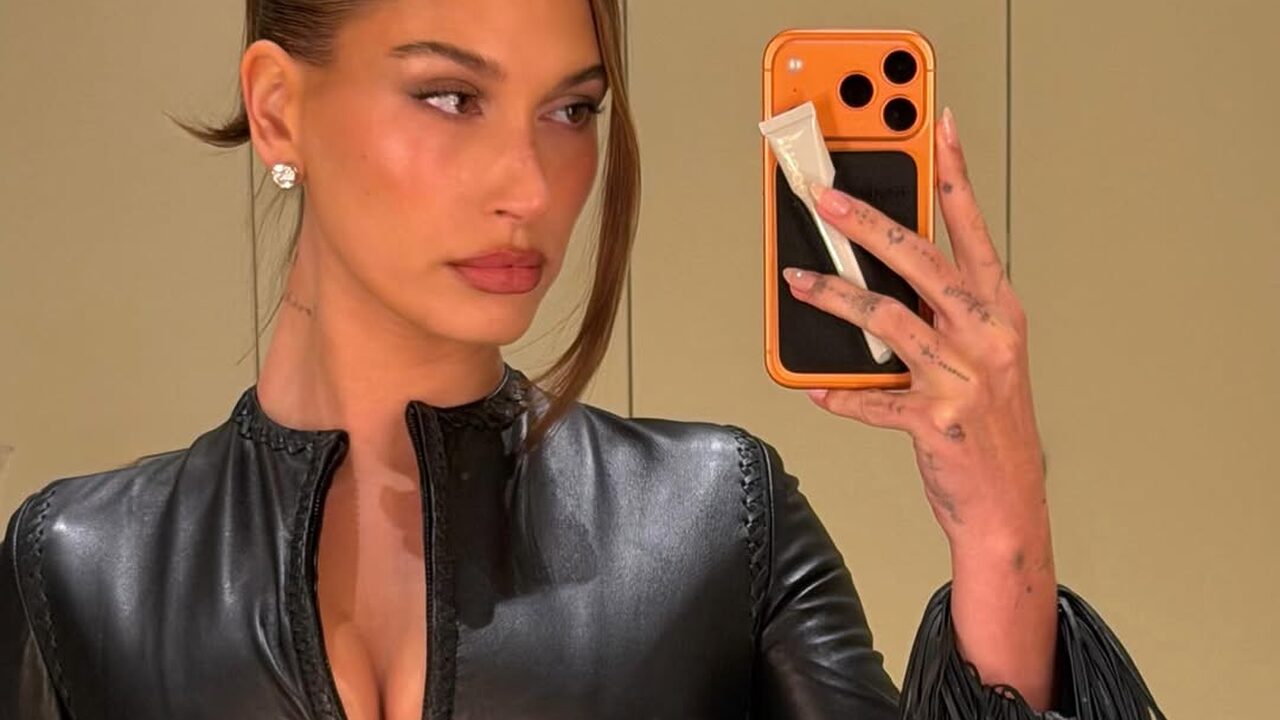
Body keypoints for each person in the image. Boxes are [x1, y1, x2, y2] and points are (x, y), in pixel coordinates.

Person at [0, 1, 1166, 718]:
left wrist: (1001, 534)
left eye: (570, 111)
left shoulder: (712, 523)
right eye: (449, 96)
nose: (530, 185)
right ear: (276, 109)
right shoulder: (81, 569)